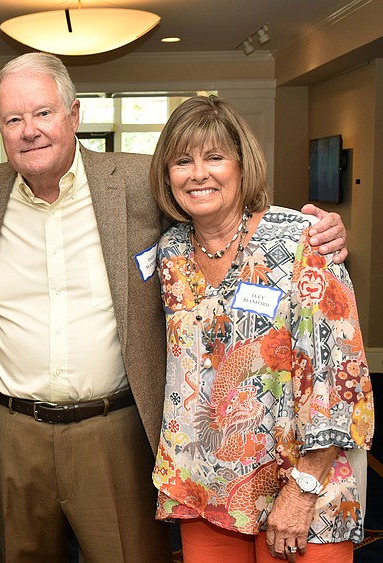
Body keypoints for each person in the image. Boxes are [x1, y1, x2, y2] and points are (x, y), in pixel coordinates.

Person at [0, 53, 347, 563]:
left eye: (43, 113)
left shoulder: (141, 181)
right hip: (13, 431)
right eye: (13, 119)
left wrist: (318, 232)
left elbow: (220, 207)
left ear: (73, 114)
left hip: (114, 429)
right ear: (1, 129)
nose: (30, 130)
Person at [149, 95, 374, 563]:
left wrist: (303, 488)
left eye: (214, 157)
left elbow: (338, 377)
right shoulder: (170, 252)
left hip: (301, 486)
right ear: (167, 175)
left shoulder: (301, 241)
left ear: (242, 165)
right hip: (204, 489)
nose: (198, 174)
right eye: (182, 161)